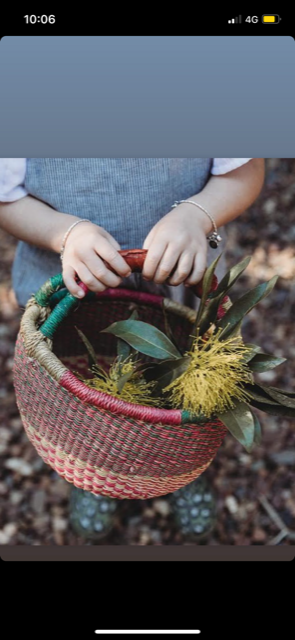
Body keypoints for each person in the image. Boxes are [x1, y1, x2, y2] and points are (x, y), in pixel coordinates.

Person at [0, 158, 265, 542]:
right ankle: (94, 470)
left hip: (177, 289)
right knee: (84, 394)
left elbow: (244, 171)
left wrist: (195, 215)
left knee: (184, 388)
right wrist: (65, 233)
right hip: (69, 296)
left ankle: (179, 467)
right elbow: (6, 198)